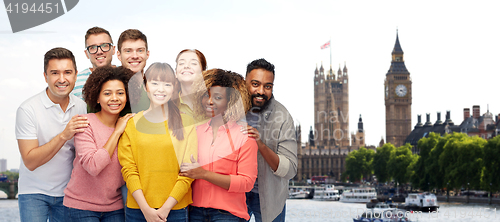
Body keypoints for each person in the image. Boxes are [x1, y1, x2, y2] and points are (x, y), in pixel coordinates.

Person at [15, 47, 88, 222]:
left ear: (76, 75)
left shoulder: (81, 107)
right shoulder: (27, 109)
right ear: (45, 76)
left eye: (67, 72)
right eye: (55, 73)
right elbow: (30, 161)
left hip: (68, 194)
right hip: (34, 193)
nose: (62, 79)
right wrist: (64, 135)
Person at [118, 62, 197, 222]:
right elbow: (129, 170)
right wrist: (146, 209)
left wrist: (166, 208)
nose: (161, 89)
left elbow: (188, 171)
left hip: (175, 210)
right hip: (138, 210)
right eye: (154, 83)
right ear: (146, 86)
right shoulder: (132, 123)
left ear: (174, 88)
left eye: (167, 84)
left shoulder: (187, 122)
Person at [180, 69, 257, 221]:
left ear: (229, 101)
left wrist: (204, 174)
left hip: (228, 215)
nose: (209, 101)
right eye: (206, 96)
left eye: (218, 97)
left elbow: (246, 183)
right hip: (194, 213)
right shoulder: (194, 133)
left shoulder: (245, 137)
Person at [63, 66, 135, 221]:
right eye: (107, 93)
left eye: (120, 93)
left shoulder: (130, 126)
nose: (114, 98)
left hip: (114, 206)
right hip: (81, 207)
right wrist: (116, 132)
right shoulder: (85, 123)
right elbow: (93, 166)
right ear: (97, 97)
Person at [242, 59, 298, 222]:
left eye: (267, 86)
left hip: (268, 196)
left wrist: (260, 144)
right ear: (244, 81)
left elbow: (290, 169)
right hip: (235, 196)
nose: (261, 91)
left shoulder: (283, 117)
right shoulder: (231, 109)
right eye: (255, 84)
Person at [72, 27, 116, 100]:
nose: (99, 52)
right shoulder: (75, 82)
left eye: (104, 46)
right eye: (93, 47)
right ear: (86, 54)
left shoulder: (126, 77)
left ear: (113, 49)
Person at [117, 29, 150, 113]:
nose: (135, 56)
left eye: (140, 50)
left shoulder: (156, 86)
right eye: (128, 51)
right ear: (119, 55)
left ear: (147, 54)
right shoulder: (109, 86)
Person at [174, 49, 207, 116]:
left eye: (193, 63)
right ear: (176, 73)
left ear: (203, 72)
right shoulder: (169, 105)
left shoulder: (212, 103)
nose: (186, 66)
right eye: (181, 63)